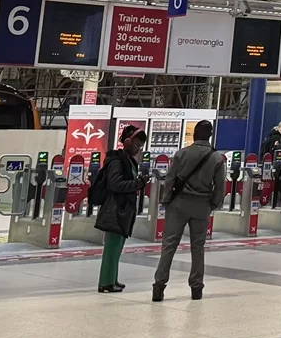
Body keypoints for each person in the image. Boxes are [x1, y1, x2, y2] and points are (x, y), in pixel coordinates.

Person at [151, 119, 225, 301]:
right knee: (198, 247)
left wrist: (166, 200)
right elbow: (220, 186)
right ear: (210, 135)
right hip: (202, 206)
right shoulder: (216, 158)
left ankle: (159, 287)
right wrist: (213, 204)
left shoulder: (181, 154)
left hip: (178, 204)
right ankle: (196, 288)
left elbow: (170, 179)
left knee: (169, 245)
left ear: (194, 134)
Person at [95, 128, 147, 293]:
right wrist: (137, 184)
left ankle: (112, 278)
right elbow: (115, 184)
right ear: (126, 142)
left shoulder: (129, 161)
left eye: (140, 146)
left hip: (124, 209)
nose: (137, 149)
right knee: (112, 248)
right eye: (136, 145)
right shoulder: (117, 161)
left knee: (117, 247)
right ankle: (105, 283)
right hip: (116, 209)